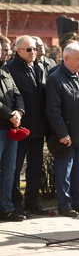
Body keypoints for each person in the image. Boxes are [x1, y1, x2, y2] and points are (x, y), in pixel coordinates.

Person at [45, 43, 79, 217]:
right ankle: (64, 205)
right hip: (65, 135)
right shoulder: (55, 79)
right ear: (66, 59)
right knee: (64, 172)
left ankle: (78, 203)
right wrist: (62, 133)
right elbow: (52, 110)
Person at [4, 35, 48, 217]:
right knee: (15, 168)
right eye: (28, 49)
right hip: (19, 127)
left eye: (35, 49)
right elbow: (13, 96)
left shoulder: (38, 67)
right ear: (18, 51)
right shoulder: (9, 69)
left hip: (37, 126)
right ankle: (16, 203)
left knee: (35, 166)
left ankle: (32, 201)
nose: (33, 52)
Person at [0, 65, 25, 221]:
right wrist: (10, 114)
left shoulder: (6, 71)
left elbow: (17, 94)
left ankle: (6, 208)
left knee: (9, 169)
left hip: (10, 127)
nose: (6, 52)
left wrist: (19, 111)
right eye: (3, 49)